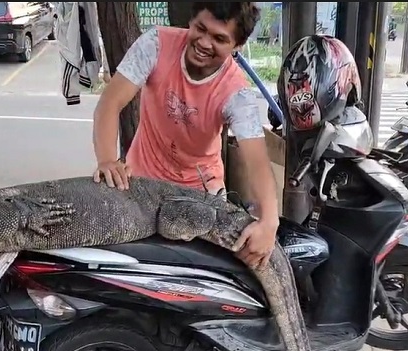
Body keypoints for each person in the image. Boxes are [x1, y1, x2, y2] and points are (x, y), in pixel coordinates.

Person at [91, 2, 280, 270]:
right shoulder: (155, 44)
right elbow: (109, 105)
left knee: (195, 283)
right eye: (200, 28)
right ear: (191, 21)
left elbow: (257, 161)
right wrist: (107, 160)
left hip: (200, 196)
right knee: (131, 274)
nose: (204, 42)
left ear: (237, 46)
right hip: (140, 184)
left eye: (219, 38)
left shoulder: (237, 93)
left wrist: (269, 222)